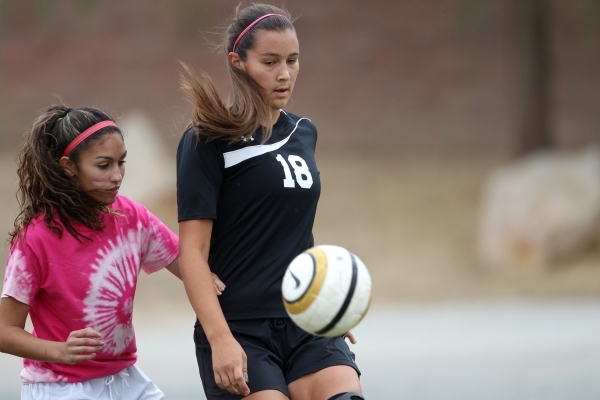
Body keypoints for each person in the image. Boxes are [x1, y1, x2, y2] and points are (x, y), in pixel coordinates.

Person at [176, 4, 365, 400]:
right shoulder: (205, 140)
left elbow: (293, 229)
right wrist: (221, 339)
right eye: (270, 61)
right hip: (240, 327)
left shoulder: (304, 132)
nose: (285, 73)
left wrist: (326, 296)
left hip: (306, 322)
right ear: (238, 62)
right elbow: (192, 251)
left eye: (293, 61)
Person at [0, 105, 225, 400]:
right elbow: (5, 330)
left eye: (122, 163)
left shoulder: (132, 218)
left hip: (125, 379)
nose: (118, 176)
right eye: (104, 166)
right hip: (60, 387)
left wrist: (218, 284)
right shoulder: (35, 239)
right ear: (69, 166)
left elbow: (193, 268)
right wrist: (60, 351)